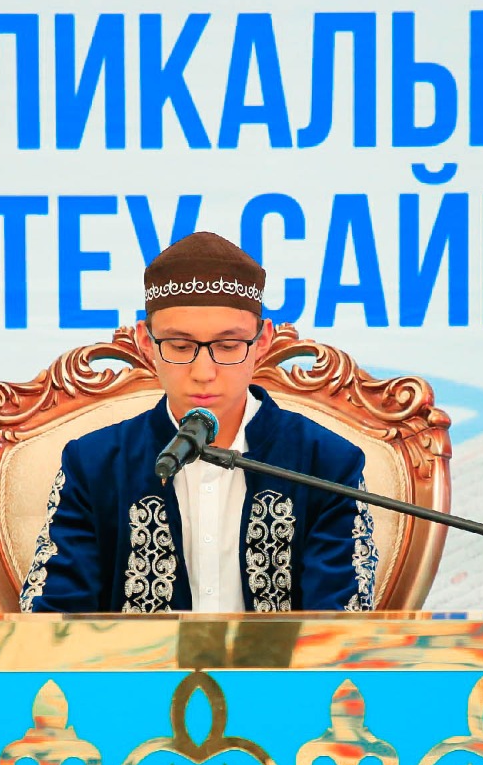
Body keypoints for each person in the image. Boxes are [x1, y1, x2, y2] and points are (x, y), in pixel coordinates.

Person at [19, 231, 378, 614]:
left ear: (262, 343)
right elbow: (52, 621)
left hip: (283, 659)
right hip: (135, 659)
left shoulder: (327, 464)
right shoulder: (93, 464)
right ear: (146, 343)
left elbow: (340, 625)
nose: (203, 372)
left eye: (228, 346)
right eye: (180, 346)